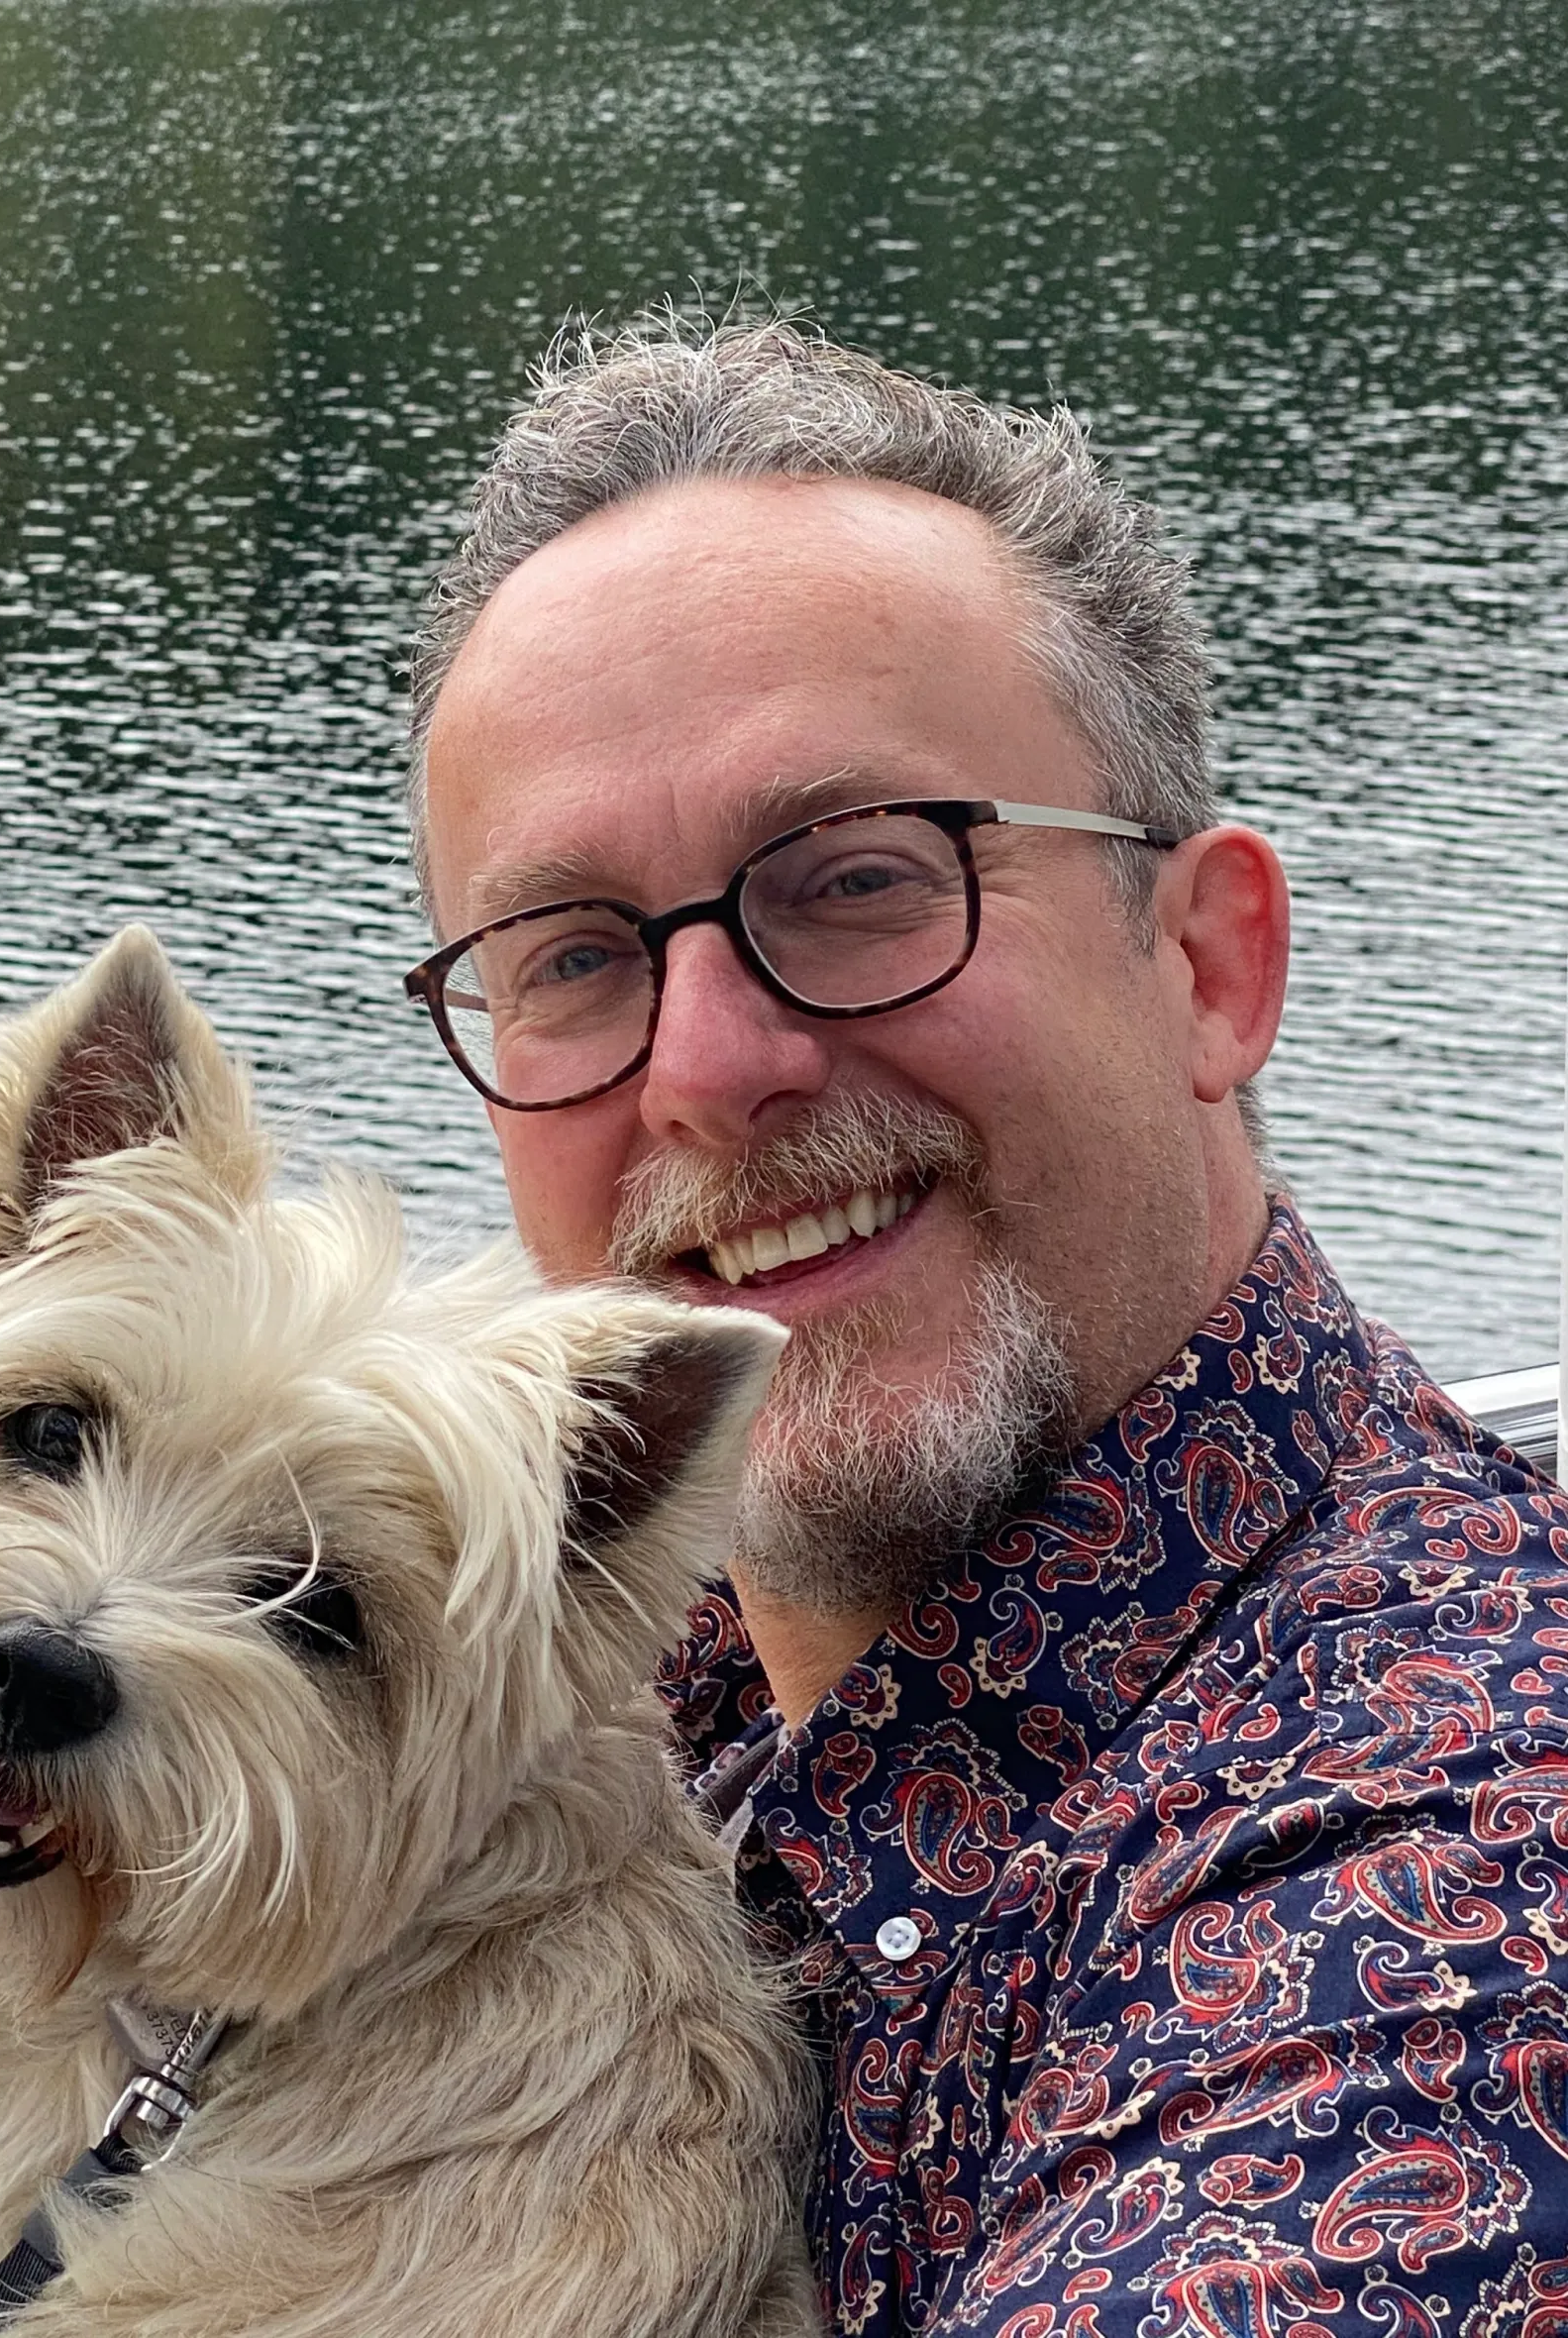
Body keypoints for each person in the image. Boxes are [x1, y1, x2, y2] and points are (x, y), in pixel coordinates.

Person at [401, 314, 1568, 2338]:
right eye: (572, 954)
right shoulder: (590, 1671)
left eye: (856, 880)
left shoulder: (1446, 1909)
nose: (707, 1064)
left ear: (1207, 965)